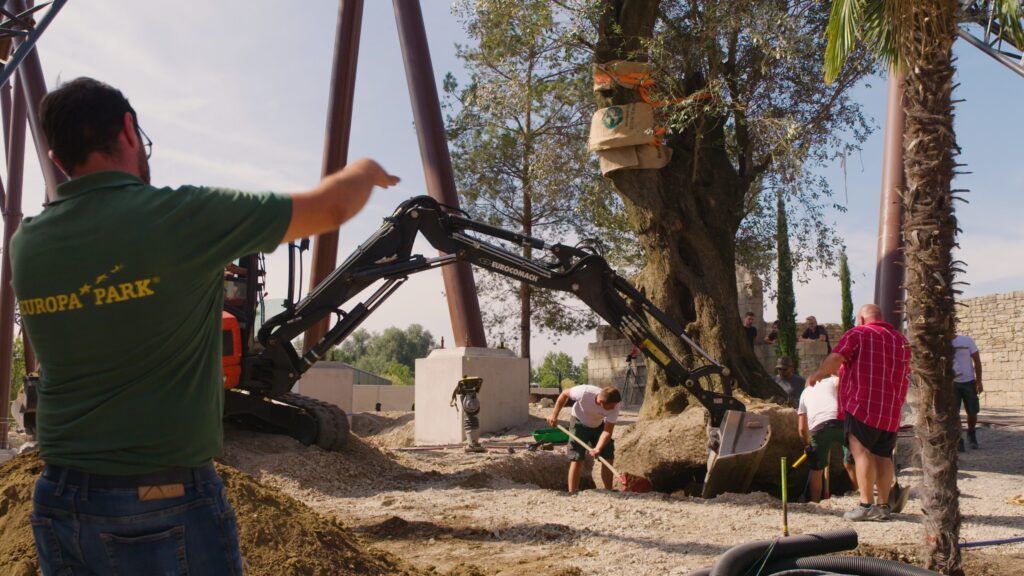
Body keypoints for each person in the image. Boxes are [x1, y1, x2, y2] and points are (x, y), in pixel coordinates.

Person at [11, 78, 399, 575]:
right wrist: (364, 170)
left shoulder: (27, 244)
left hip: (60, 500)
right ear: (129, 131)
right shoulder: (183, 218)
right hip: (163, 499)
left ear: (57, 156)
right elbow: (331, 207)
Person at [806, 304, 910, 522]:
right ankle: (883, 507)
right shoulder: (900, 340)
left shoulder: (858, 333)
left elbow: (836, 358)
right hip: (890, 410)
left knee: (861, 453)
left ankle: (865, 505)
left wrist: (817, 374)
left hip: (863, 406)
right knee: (883, 456)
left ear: (862, 319)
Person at [547, 384, 621, 493]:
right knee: (577, 458)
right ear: (601, 403)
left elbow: (607, 431)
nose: (614, 408)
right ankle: (572, 492)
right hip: (579, 423)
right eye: (611, 406)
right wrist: (554, 415)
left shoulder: (615, 404)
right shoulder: (584, 393)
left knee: (608, 455)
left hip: (598, 425)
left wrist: (598, 448)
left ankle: (608, 490)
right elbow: (564, 394)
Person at [797, 375, 858, 502]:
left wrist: (808, 446)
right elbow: (846, 381)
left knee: (816, 469)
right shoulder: (831, 381)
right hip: (841, 421)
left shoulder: (804, 394)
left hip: (818, 428)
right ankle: (860, 494)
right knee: (852, 460)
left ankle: (815, 502)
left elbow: (802, 429)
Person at [952, 333, 984, 450]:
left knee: (972, 411)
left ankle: (971, 433)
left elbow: (977, 361)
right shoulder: (941, 343)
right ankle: (958, 439)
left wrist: (979, 381)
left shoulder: (966, 340)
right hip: (952, 383)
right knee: (954, 414)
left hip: (969, 382)